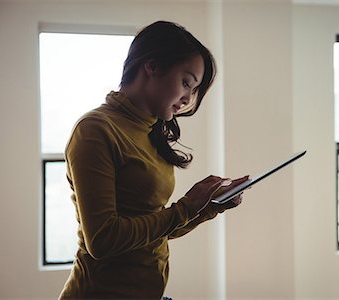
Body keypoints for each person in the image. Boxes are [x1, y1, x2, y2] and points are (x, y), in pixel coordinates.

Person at [59, 20, 248, 299]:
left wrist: (208, 208)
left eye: (194, 90)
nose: (188, 99)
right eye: (186, 82)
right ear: (152, 66)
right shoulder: (94, 130)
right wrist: (186, 208)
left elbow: (153, 233)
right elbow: (103, 240)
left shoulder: (150, 132)